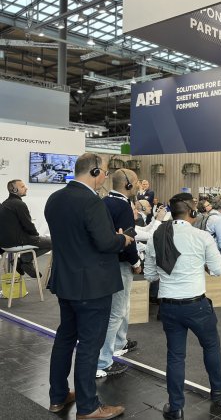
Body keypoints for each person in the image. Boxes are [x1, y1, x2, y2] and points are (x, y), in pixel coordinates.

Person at [44, 153, 133, 419]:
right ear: (95, 172)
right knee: (89, 346)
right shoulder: (91, 202)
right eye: (104, 172)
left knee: (65, 339)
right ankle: (88, 407)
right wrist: (123, 240)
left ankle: (58, 396)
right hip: (92, 286)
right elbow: (105, 243)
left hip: (66, 282)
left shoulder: (54, 199)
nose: (105, 177)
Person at [144, 194, 221, 419]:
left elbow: (150, 275)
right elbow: (218, 270)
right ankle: (218, 388)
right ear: (192, 211)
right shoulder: (201, 236)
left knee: (175, 356)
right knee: (211, 345)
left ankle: (175, 407)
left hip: (168, 307)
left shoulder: (156, 236)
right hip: (196, 306)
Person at [96, 169, 142, 379]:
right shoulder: (122, 206)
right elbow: (128, 239)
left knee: (121, 308)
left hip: (106, 263)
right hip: (120, 264)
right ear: (128, 184)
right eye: (136, 182)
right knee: (116, 312)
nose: (139, 185)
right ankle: (103, 361)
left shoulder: (104, 202)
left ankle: (119, 343)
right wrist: (136, 261)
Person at [0, 179, 52, 277]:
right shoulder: (19, 204)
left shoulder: (5, 203)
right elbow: (28, 225)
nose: (26, 188)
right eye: (22, 186)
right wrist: (36, 236)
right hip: (17, 241)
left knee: (42, 240)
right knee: (53, 242)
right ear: (14, 190)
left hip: (5, 242)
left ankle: (24, 261)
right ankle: (24, 260)